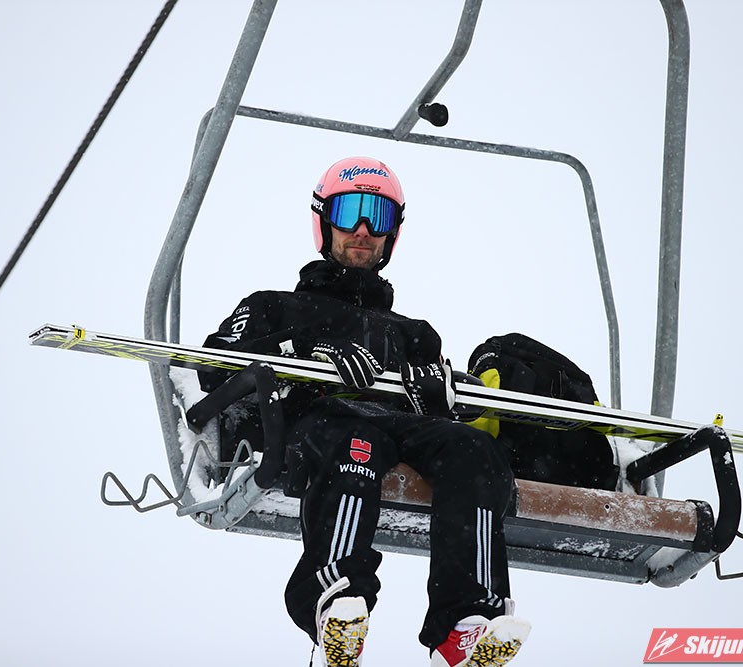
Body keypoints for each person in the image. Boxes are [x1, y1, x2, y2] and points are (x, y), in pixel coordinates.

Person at [200, 156, 530, 666]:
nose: (361, 230)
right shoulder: (273, 306)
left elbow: (441, 418)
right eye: (348, 212)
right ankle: (335, 594)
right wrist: (301, 353)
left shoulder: (414, 333)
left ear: (392, 233)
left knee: (474, 449)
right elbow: (213, 366)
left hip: (400, 430)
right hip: (315, 422)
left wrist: (435, 396)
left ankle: (465, 622)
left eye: (377, 217)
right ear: (323, 220)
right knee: (358, 441)